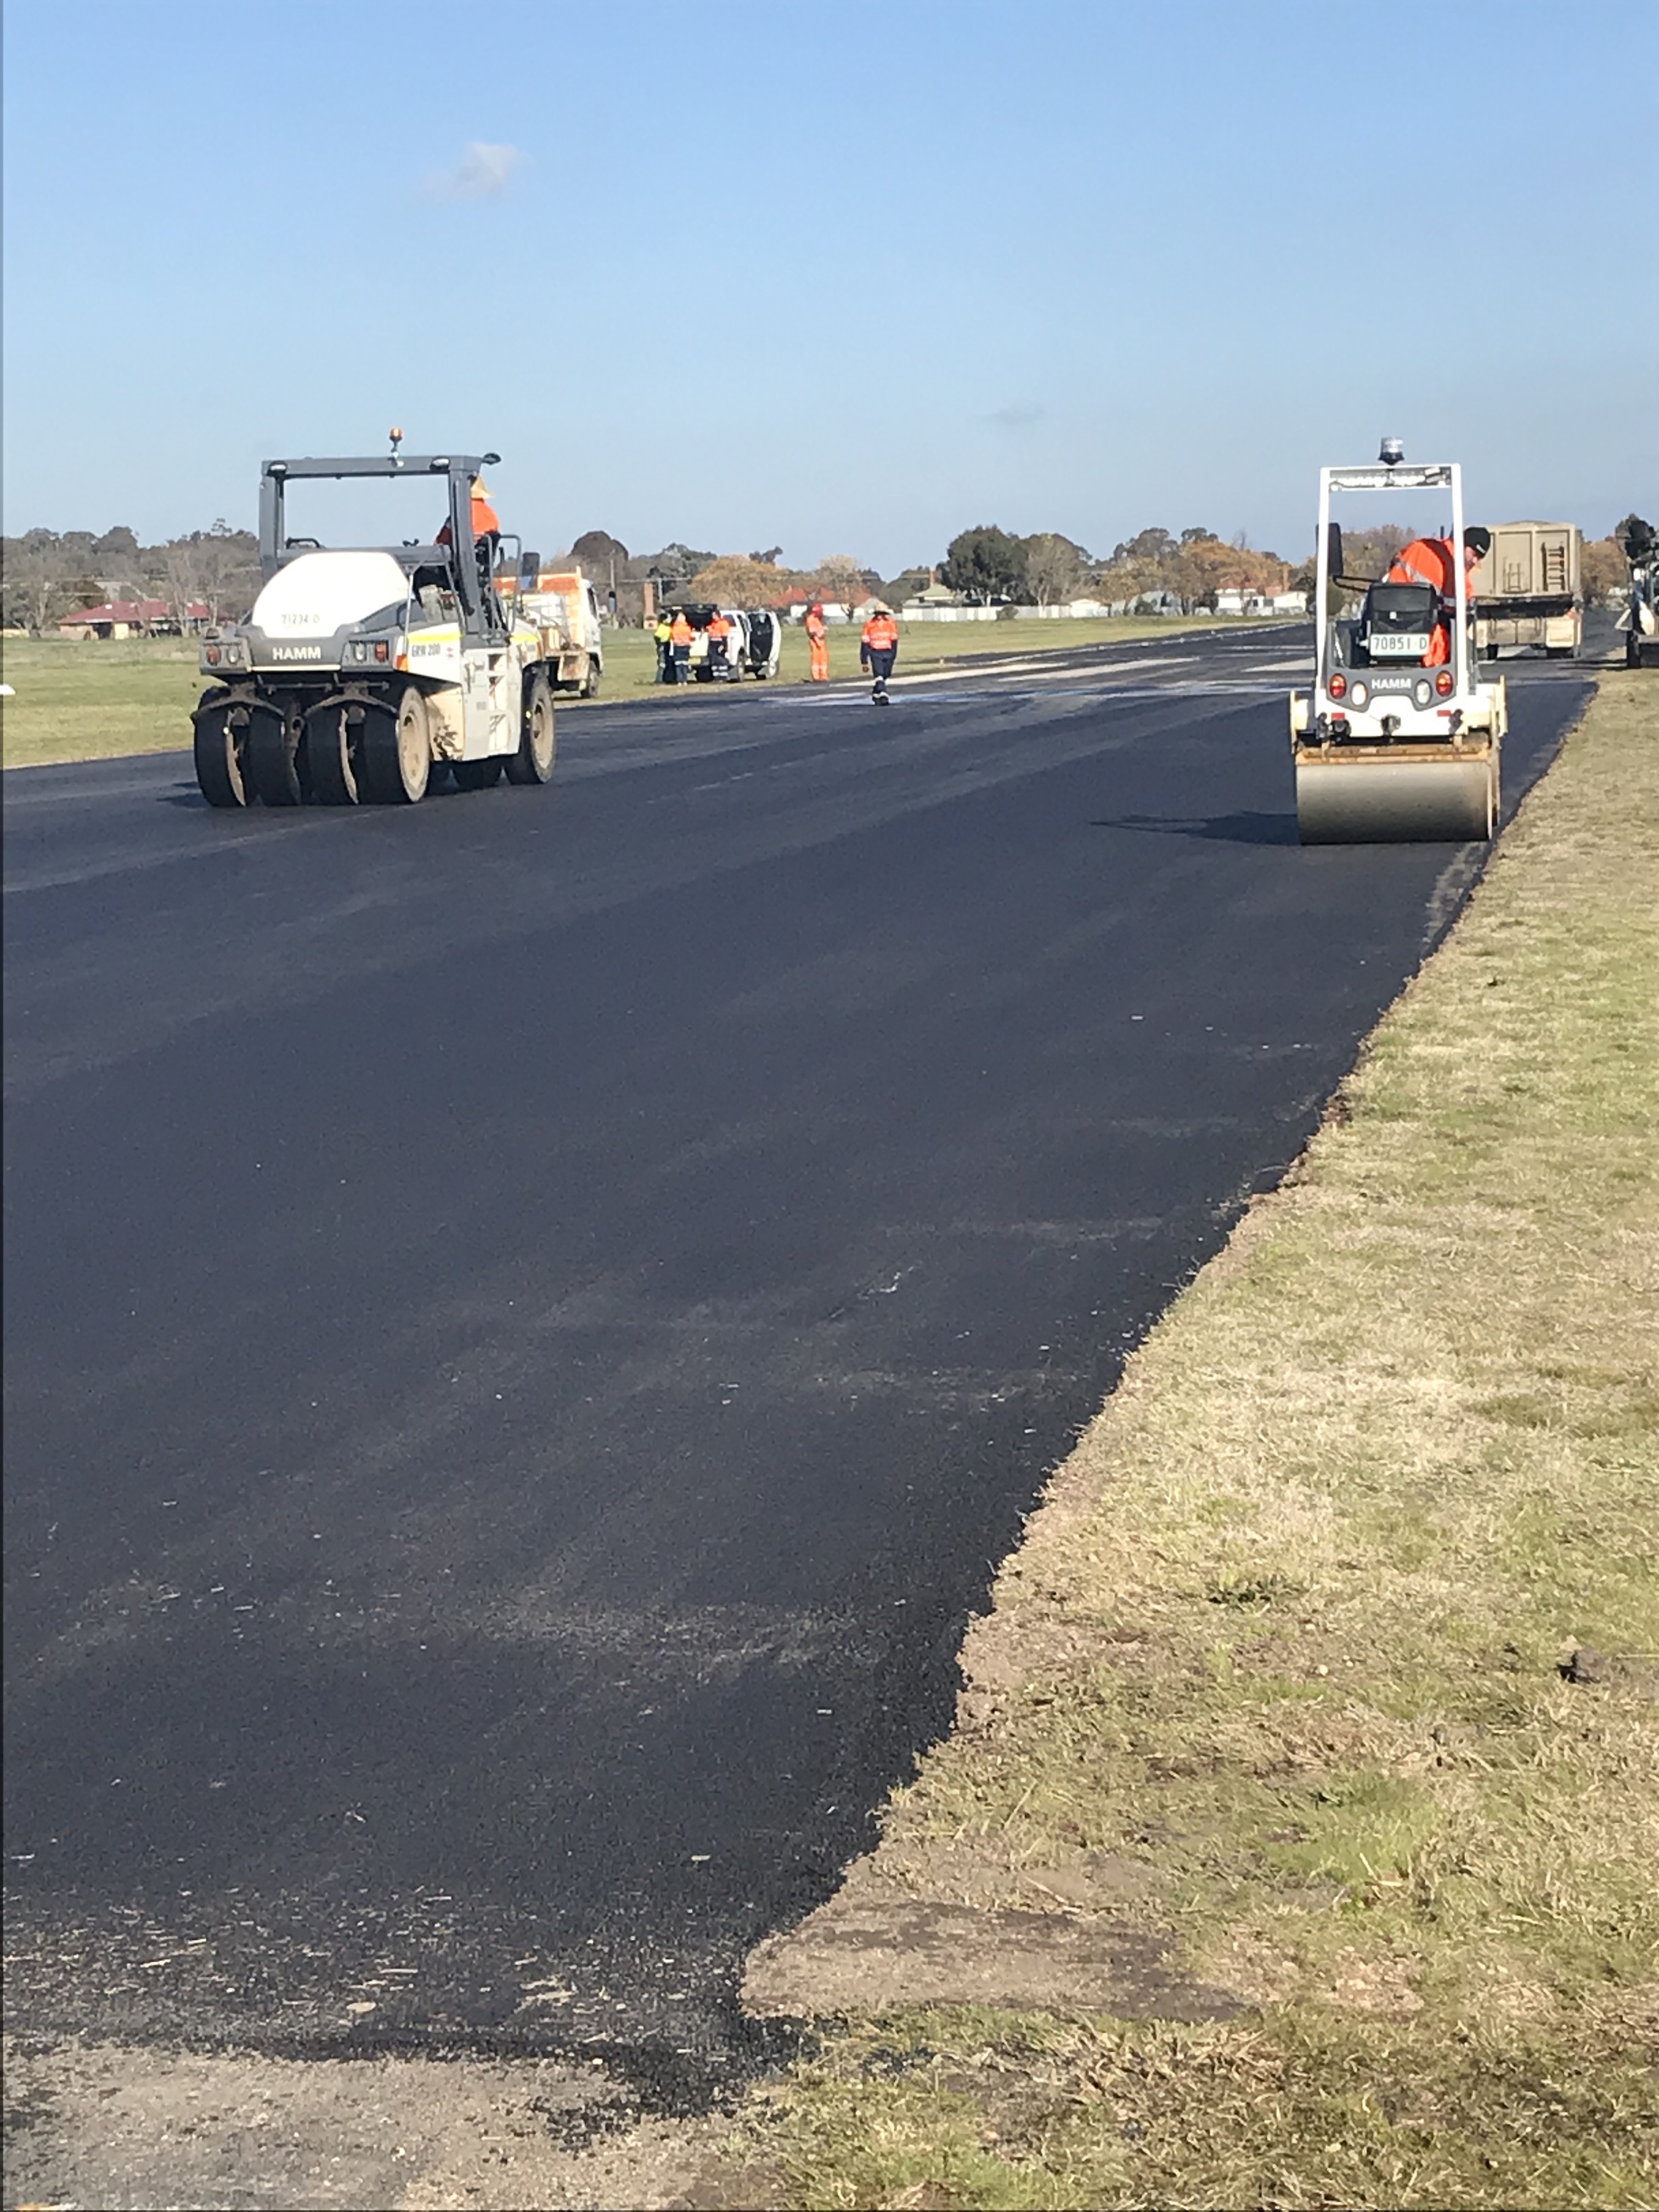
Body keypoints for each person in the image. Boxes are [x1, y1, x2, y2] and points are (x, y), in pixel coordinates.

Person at [1384, 525, 1491, 665]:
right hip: (1423, 640)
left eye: (1480, 558)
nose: (1475, 561)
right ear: (1463, 544)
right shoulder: (1455, 574)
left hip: (1389, 624)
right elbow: (1460, 611)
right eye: (1474, 554)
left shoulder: (1420, 547)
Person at [860, 604, 900, 703]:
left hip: (888, 652)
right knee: (879, 674)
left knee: (886, 674)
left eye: (882, 614)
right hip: (875, 652)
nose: (879, 616)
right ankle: (883, 694)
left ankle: (876, 693)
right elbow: (865, 643)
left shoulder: (891, 624)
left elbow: (894, 641)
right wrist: (864, 660)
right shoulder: (869, 625)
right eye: (878, 614)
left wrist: (894, 655)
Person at [804, 599, 830, 682]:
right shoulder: (811, 619)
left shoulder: (818, 619)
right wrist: (817, 641)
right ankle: (816, 677)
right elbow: (812, 632)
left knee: (823, 659)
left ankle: (824, 676)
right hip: (815, 642)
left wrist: (823, 630)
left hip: (821, 641)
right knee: (816, 659)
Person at [668, 606, 694, 684]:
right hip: (686, 647)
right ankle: (685, 680)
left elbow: (672, 636)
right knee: (685, 664)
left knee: (678, 665)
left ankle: (680, 681)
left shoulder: (675, 628)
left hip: (678, 647)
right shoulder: (688, 628)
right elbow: (690, 637)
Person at [707, 607, 733, 680]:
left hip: (720, 643)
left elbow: (725, 635)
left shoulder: (723, 623)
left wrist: (723, 645)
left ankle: (723, 677)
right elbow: (710, 630)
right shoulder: (713, 624)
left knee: (720, 660)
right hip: (713, 644)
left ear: (718, 615)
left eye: (714, 615)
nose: (713, 617)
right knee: (714, 661)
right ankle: (717, 677)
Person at [653, 609, 673, 682]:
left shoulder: (669, 627)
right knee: (662, 664)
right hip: (663, 646)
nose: (670, 620)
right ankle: (659, 680)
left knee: (667, 663)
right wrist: (660, 646)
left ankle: (668, 678)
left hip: (668, 645)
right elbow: (657, 637)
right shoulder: (662, 627)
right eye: (668, 618)